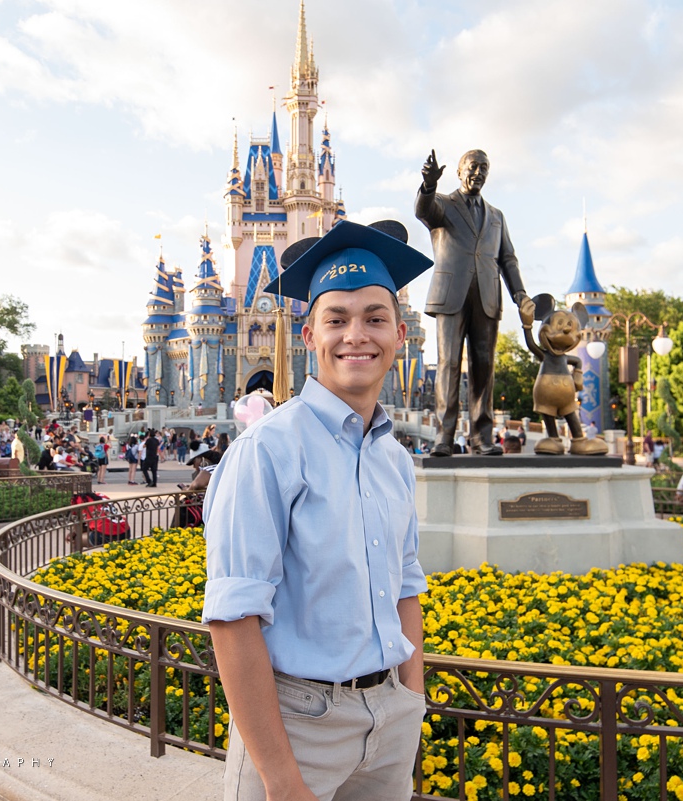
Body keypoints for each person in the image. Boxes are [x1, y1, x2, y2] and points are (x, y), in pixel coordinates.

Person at [204, 220, 430, 800]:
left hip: (389, 720)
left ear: (399, 335)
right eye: (337, 320)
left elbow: (406, 587)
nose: (358, 335)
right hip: (299, 730)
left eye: (375, 318)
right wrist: (282, 782)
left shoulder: (395, 460)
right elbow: (233, 619)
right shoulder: (267, 451)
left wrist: (410, 699)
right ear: (308, 335)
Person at [416, 149, 533, 457]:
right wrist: (428, 185)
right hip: (451, 295)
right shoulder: (444, 204)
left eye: (484, 168)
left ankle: (482, 438)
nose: (478, 172)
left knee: (484, 367)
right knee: (448, 364)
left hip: (487, 296)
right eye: (473, 167)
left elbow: (508, 259)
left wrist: (520, 296)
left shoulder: (496, 216)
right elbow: (423, 210)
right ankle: (444, 437)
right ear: (459, 171)